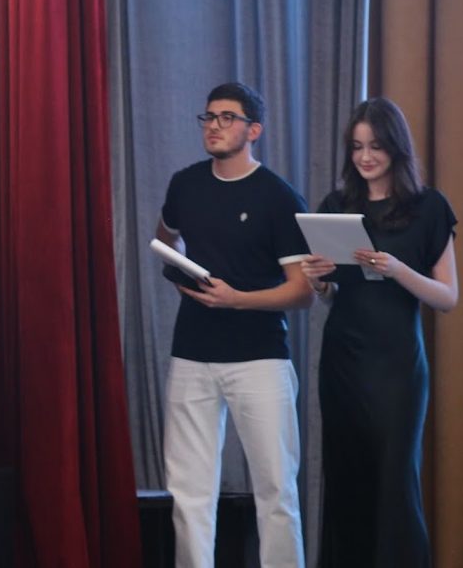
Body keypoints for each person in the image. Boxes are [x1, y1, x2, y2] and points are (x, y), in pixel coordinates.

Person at [156, 82, 313, 568]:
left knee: (276, 490)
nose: (214, 126)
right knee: (188, 491)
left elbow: (302, 292)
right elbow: (165, 238)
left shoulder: (279, 197)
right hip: (191, 353)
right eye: (208, 117)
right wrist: (181, 272)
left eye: (227, 118)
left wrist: (236, 300)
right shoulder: (185, 184)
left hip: (259, 358)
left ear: (254, 130)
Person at [300, 98, 458, 567]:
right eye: (356, 147)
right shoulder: (337, 207)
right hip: (343, 364)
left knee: (395, 486)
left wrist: (396, 269)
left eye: (375, 146)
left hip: (397, 368)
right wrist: (318, 281)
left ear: (396, 147)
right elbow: (333, 295)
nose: (365, 156)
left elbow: (447, 297)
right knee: (347, 484)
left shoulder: (429, 207)